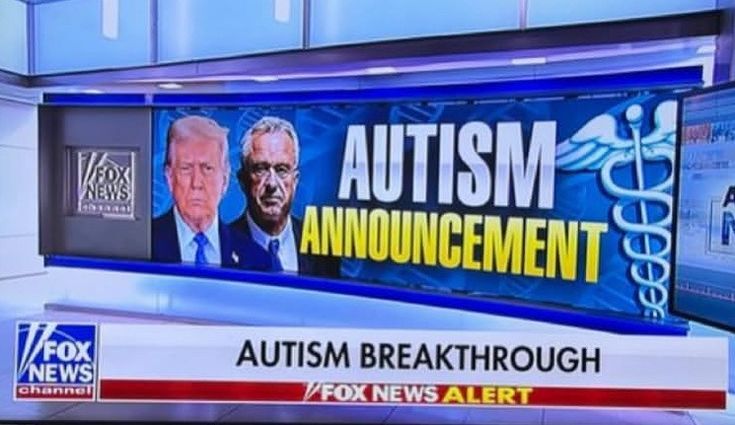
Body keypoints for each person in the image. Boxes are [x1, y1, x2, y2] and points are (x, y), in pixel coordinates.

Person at [152, 115, 269, 269]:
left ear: (225, 179)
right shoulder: (143, 244)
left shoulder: (256, 259)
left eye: (207, 168)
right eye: (186, 168)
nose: (196, 183)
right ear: (169, 177)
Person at [232, 116, 340, 277]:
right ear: (243, 180)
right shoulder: (222, 245)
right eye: (261, 169)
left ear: (295, 180)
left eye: (281, 170)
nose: (272, 184)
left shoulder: (324, 248)